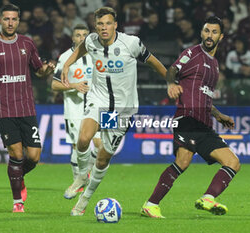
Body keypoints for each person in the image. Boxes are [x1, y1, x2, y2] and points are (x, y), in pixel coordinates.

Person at [61, 7, 170, 216]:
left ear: (116, 25)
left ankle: (84, 200)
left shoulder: (131, 43)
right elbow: (80, 49)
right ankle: (82, 176)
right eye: (100, 24)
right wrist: (67, 66)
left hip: (121, 109)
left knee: (102, 159)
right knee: (83, 138)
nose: (104, 28)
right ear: (96, 26)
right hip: (98, 99)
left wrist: (171, 81)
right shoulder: (91, 41)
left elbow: (154, 63)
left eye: (108, 23)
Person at [141, 16, 241, 218]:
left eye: (214, 32)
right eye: (206, 31)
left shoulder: (215, 65)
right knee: (183, 161)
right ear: (201, 33)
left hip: (205, 123)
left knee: (233, 162)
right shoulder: (192, 53)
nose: (209, 35)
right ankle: (151, 204)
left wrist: (218, 114)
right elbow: (172, 70)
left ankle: (208, 198)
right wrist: (171, 84)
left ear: (221, 36)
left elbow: (204, 95)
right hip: (187, 117)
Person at [0, 4, 55, 213]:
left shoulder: (27, 43)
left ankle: (17, 176)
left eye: (14, 19)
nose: (10, 23)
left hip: (26, 106)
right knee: (16, 154)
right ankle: (18, 201)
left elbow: (39, 72)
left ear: (18, 21)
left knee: (34, 156)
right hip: (3, 107)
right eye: (6, 19)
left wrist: (47, 69)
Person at [51, 24, 102, 200]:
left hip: (99, 106)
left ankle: (85, 176)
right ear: (73, 38)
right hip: (75, 108)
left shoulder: (99, 54)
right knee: (78, 146)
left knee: (103, 146)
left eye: (85, 35)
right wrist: (74, 86)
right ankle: (78, 180)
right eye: (78, 35)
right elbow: (54, 84)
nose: (82, 38)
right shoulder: (65, 57)